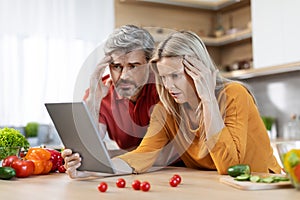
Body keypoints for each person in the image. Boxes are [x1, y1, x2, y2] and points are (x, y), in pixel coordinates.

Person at [63, 30, 281, 178]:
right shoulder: (167, 110)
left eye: (175, 76)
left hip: (261, 185)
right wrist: (92, 171)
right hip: (218, 188)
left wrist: (207, 99)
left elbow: (230, 166)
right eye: (164, 78)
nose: (168, 86)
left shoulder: (234, 95)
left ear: (199, 71)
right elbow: (142, 155)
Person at [84, 24, 158, 152]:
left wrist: (113, 155)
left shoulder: (165, 88)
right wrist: (94, 102)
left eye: (133, 66)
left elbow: (159, 151)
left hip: (180, 169)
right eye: (117, 66)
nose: (123, 76)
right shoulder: (99, 92)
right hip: (132, 169)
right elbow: (89, 146)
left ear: (149, 65)